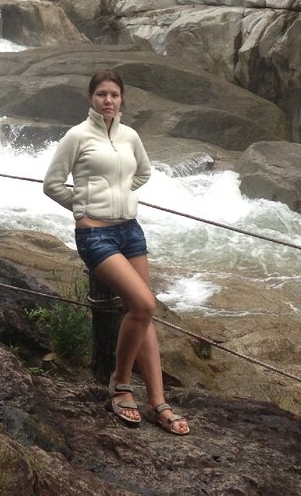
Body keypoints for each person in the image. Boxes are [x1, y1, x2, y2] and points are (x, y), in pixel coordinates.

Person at [42, 68, 190, 435]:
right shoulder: (77, 136)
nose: (108, 101)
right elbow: (52, 184)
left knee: (143, 312)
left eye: (114, 95)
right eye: (102, 94)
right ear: (90, 98)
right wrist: (84, 207)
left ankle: (158, 402)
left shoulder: (130, 136)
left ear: (122, 99)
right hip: (96, 235)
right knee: (143, 304)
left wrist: (122, 194)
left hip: (130, 231)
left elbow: (143, 173)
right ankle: (121, 385)